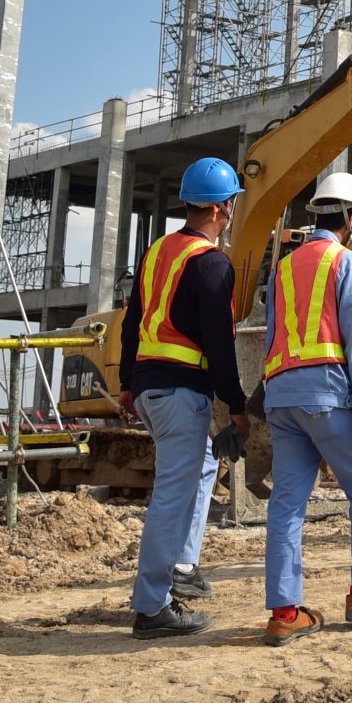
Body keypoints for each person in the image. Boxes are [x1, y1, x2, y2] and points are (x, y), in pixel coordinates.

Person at [259, 171, 352, 644]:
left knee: (286, 505)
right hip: (328, 394)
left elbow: (270, 337)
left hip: (281, 396)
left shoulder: (281, 269)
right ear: (349, 217)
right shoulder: (348, 265)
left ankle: (285, 615)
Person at [117, 156, 252, 638]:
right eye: (232, 202)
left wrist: (127, 384)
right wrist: (236, 406)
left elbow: (133, 322)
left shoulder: (157, 252)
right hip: (179, 391)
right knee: (173, 496)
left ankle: (180, 569)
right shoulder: (212, 263)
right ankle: (152, 605)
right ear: (220, 209)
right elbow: (219, 341)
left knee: (196, 471)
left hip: (151, 388)